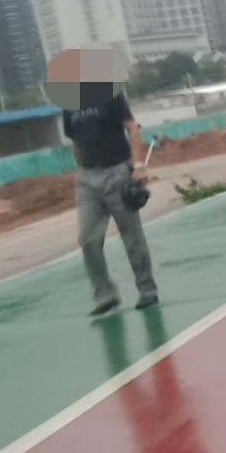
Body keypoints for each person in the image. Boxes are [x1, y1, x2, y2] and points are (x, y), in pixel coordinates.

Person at [62, 84, 159, 318]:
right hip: (88, 177)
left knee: (131, 235)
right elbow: (76, 141)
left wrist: (138, 167)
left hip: (117, 171)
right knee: (88, 239)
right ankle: (106, 296)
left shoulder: (111, 95)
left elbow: (133, 129)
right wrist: (81, 170)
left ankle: (147, 290)